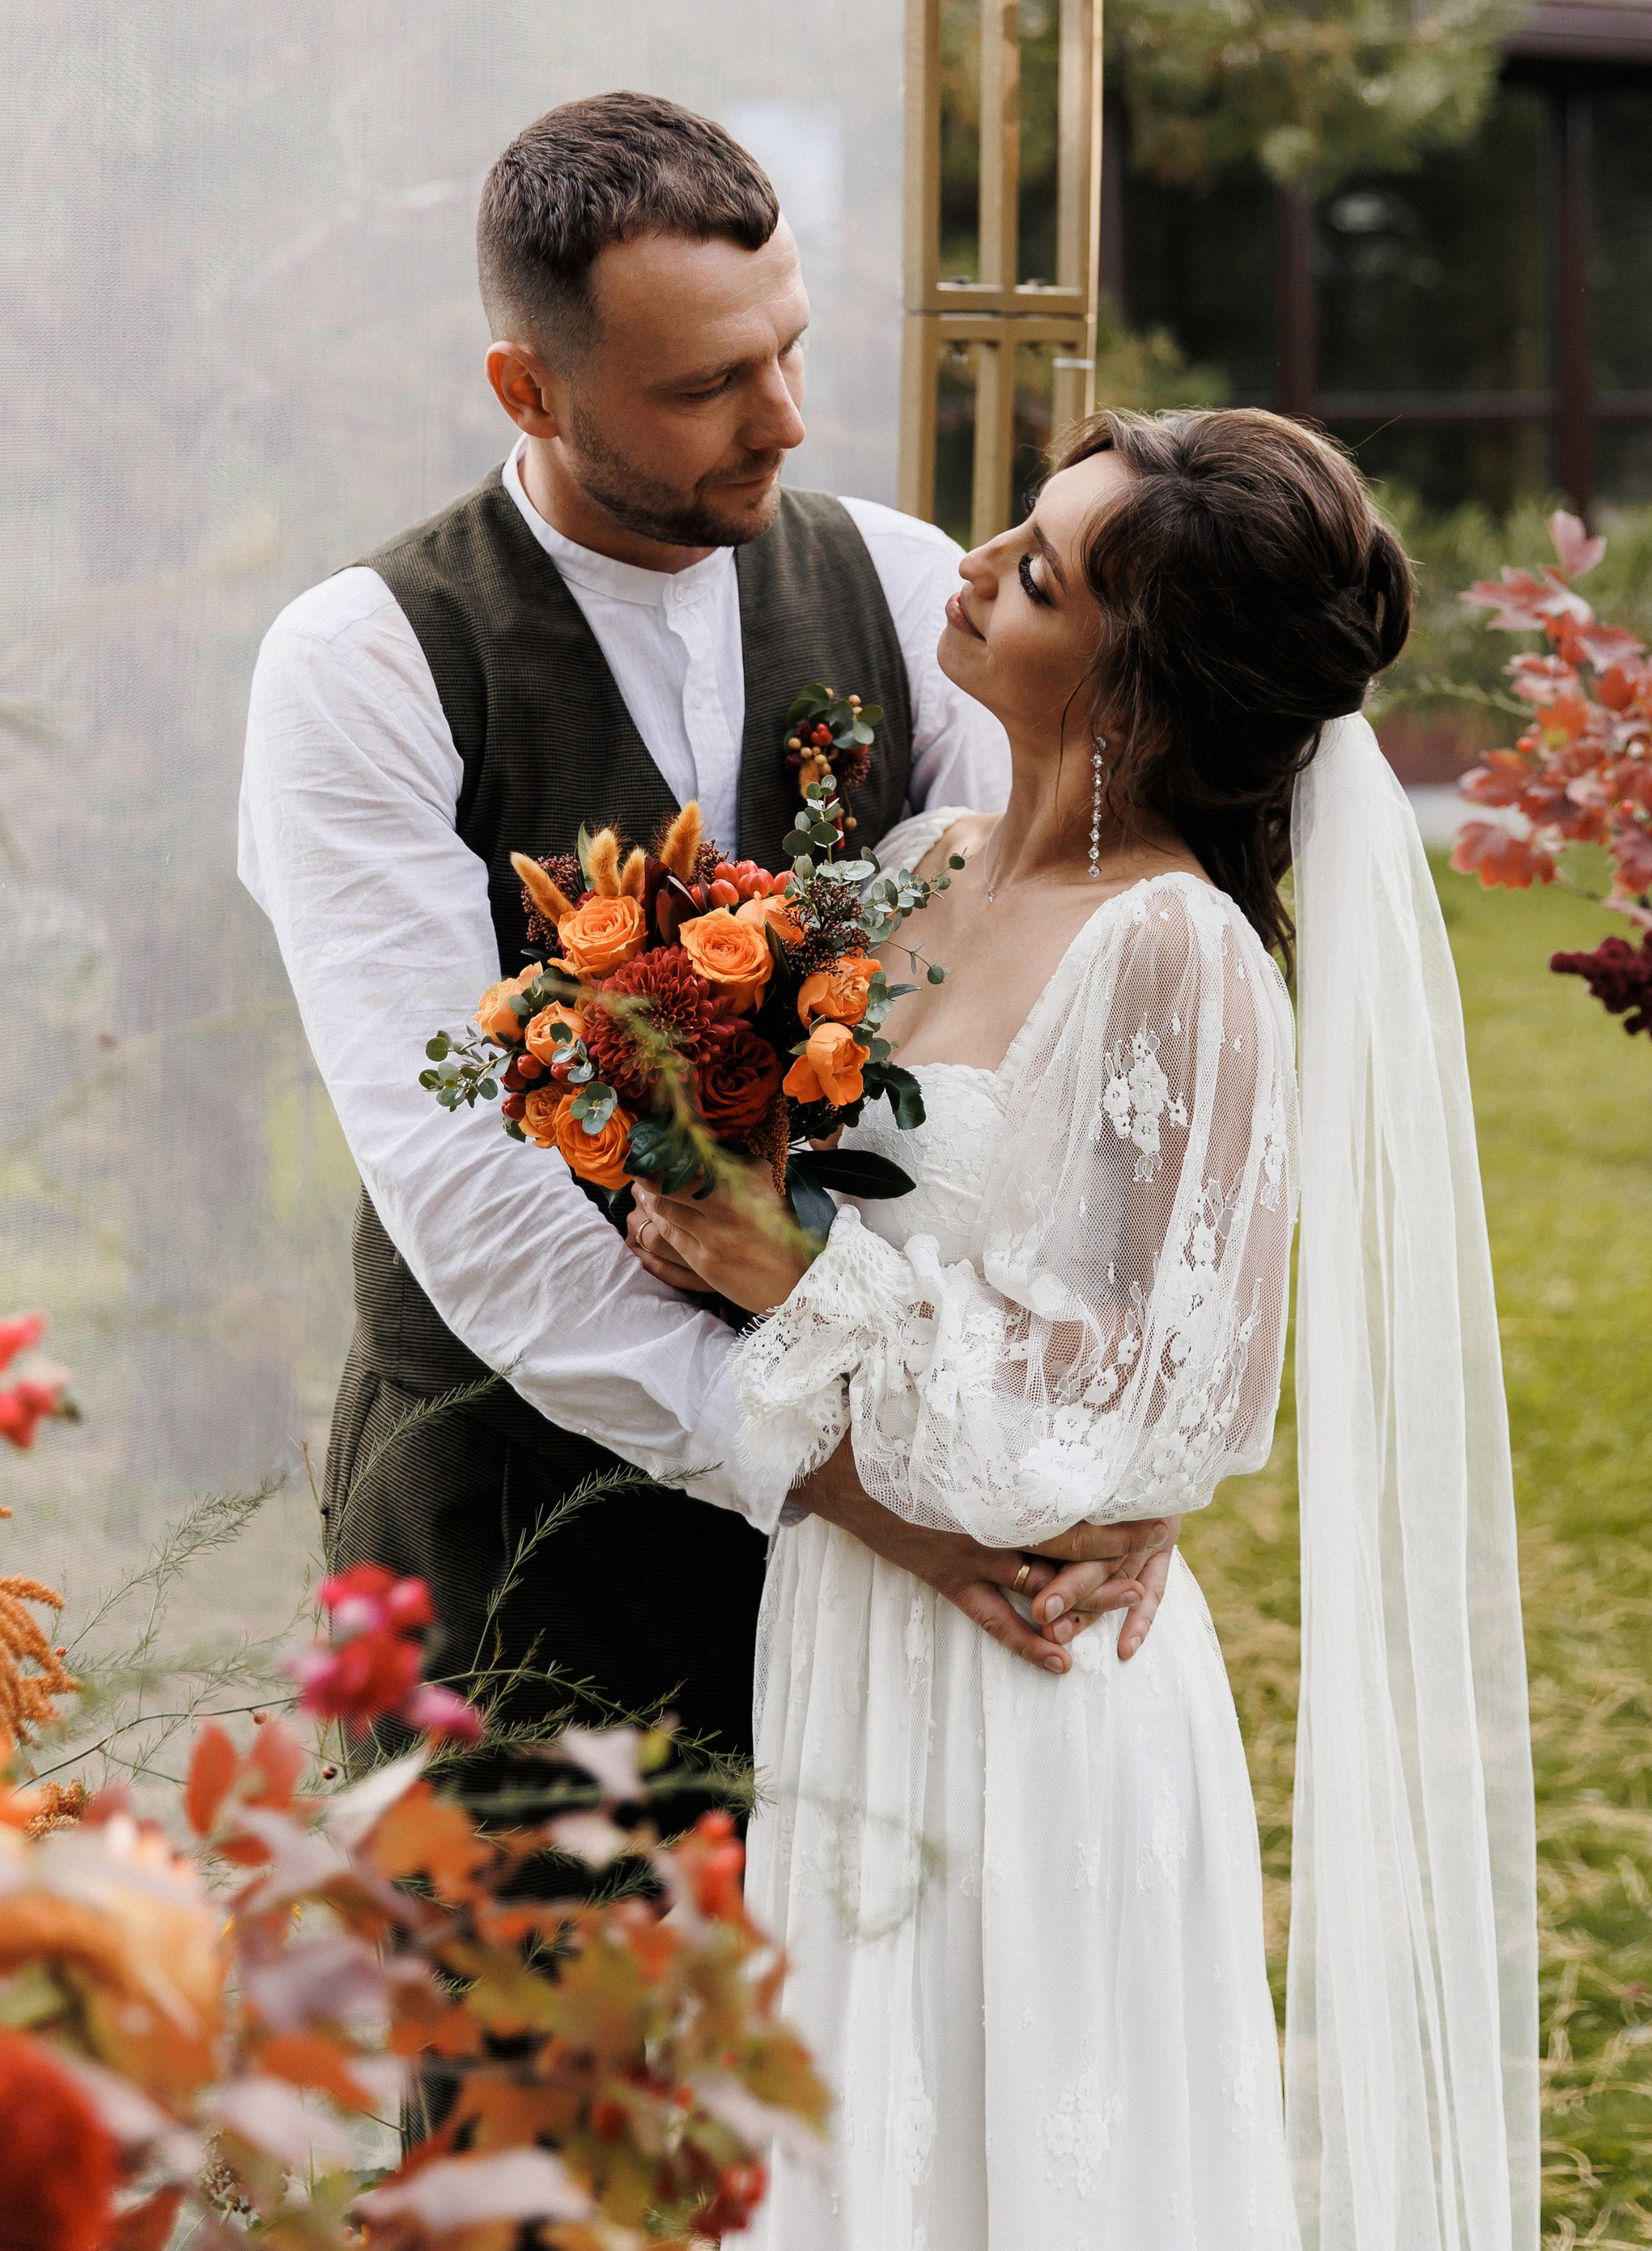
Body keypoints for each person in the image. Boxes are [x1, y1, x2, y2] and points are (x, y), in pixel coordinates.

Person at [626, 408, 1539, 2251]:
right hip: (849, 1634)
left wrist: (788, 1278)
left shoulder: (1174, 957)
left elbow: (1119, 1425)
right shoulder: (922, 864)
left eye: (1033, 573)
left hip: (1026, 1682)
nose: (968, 571)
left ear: (1128, 695)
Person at [238, 91, 1175, 1773]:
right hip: (516, 1535)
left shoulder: (900, 588)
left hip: (881, 1534)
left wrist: (1081, 1461)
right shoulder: (363, 663)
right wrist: (855, 1485)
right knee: (534, 2028)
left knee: (840, 2029)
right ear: (527, 388)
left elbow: (1059, 1039)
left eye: (789, 348)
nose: (785, 419)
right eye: (702, 389)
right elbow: (466, 1195)